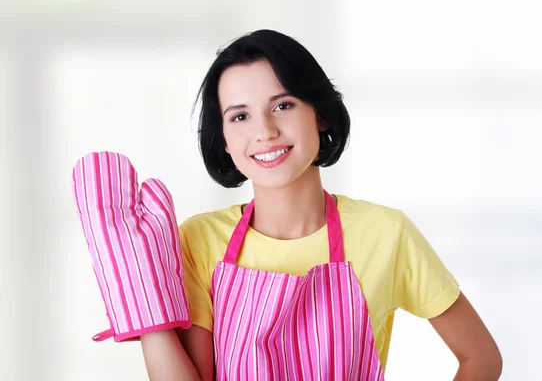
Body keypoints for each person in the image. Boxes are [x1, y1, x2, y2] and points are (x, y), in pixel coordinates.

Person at [140, 29, 502, 380]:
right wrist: (140, 302)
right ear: (224, 141)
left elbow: (481, 358)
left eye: (283, 105)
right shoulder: (199, 239)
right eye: (240, 116)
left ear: (321, 114)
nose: (264, 131)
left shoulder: (386, 233)